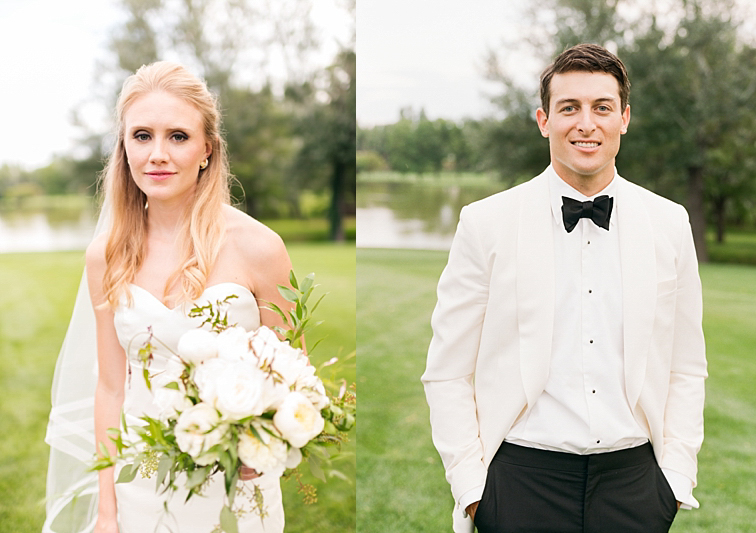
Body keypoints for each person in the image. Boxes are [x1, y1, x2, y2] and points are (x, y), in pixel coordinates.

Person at [421, 43, 707, 533]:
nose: (586, 123)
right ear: (543, 120)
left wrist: (675, 478)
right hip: (519, 483)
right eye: (569, 108)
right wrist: (473, 491)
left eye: (602, 107)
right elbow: (447, 373)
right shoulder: (485, 222)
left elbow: (686, 366)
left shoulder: (670, 223)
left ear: (624, 118)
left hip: (636, 486)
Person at [44, 61, 292, 533]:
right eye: (142, 136)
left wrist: (256, 456)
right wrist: (108, 510)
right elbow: (111, 389)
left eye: (177, 136)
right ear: (124, 148)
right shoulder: (106, 255)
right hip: (139, 475)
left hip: (237, 479)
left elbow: (289, 376)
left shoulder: (260, 248)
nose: (158, 153)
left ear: (206, 150)